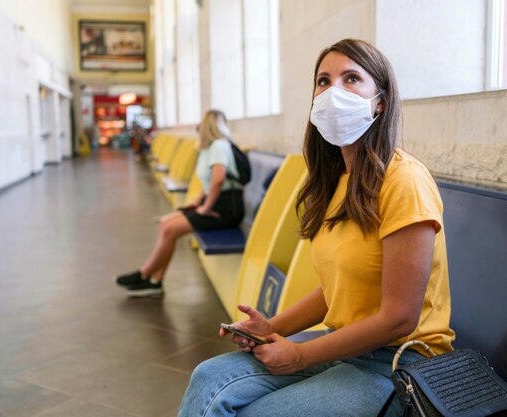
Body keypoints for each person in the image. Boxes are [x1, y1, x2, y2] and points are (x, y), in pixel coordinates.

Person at [177, 38, 455, 416]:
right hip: (345, 346)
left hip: (398, 362)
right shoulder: (337, 179)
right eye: (323, 81)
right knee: (208, 377)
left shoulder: (404, 181)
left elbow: (399, 318)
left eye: (351, 79)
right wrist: (271, 326)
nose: (333, 92)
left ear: (381, 102)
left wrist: (300, 355)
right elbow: (336, 290)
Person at [116, 109, 245, 297]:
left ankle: (145, 273)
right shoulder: (210, 147)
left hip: (225, 209)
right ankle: (154, 281)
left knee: (169, 230)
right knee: (165, 225)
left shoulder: (219, 146)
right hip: (216, 202)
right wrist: (198, 201)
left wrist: (205, 208)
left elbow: (218, 179)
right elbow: (210, 182)